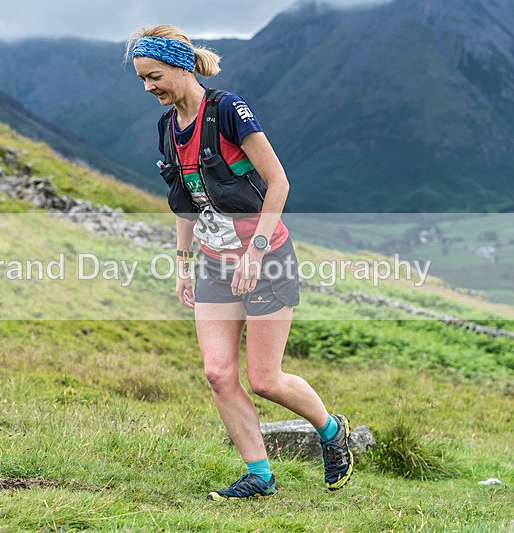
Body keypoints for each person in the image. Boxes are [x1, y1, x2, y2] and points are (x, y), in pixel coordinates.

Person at [127, 24, 353, 501]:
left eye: (155, 76)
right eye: (143, 80)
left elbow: (279, 183)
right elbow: (186, 202)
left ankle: (332, 432)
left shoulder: (228, 110)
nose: (150, 88)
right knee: (217, 374)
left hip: (266, 259)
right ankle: (260, 476)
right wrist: (183, 262)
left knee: (265, 380)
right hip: (211, 262)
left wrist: (255, 252)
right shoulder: (167, 127)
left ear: (182, 65)